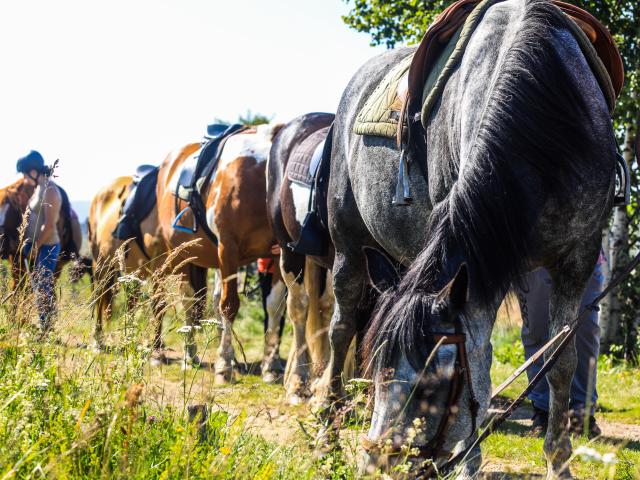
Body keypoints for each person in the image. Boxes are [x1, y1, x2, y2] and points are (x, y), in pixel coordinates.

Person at [516, 258, 605, 438]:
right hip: (533, 255)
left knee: (584, 332)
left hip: (584, 253)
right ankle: (543, 412)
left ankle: (582, 415)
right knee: (537, 331)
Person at [17, 150, 63, 334]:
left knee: (43, 284)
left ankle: (48, 328)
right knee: (39, 283)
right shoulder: (39, 188)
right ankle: (46, 325)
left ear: (34, 172)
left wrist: (36, 247)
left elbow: (50, 225)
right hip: (39, 244)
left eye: (25, 173)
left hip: (48, 245)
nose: (24, 178)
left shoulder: (50, 191)